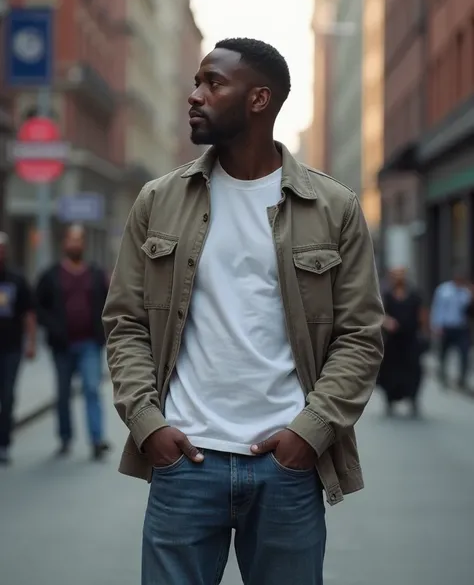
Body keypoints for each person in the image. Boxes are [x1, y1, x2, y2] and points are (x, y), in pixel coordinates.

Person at [103, 38, 384, 585]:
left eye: (213, 83)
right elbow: (125, 323)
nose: (194, 95)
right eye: (196, 82)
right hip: (184, 461)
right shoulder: (158, 201)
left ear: (259, 99)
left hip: (288, 466)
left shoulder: (334, 208)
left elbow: (360, 336)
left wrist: (310, 432)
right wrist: (147, 423)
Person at [36, 225, 110, 460]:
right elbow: (39, 307)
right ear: (64, 244)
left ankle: (97, 440)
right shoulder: (50, 276)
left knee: (91, 389)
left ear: (84, 244)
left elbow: (109, 303)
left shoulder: (96, 274)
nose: (75, 244)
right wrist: (54, 328)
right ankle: (65, 438)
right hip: (62, 345)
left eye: (79, 240)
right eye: (71, 240)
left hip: (90, 342)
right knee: (63, 393)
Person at [0, 232, 36, 464]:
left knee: (8, 395)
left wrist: (31, 342)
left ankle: (3, 443)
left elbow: (28, 313)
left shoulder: (16, 279)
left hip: (11, 347)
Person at [377, 267, 426, 417]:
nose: (398, 277)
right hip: (393, 342)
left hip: (410, 340)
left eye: (401, 274)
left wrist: (425, 332)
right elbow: (379, 314)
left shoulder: (414, 295)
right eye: (395, 275)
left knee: (413, 371)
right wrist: (387, 321)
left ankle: (413, 399)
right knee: (390, 372)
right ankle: (390, 400)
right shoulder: (386, 295)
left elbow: (422, 314)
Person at [430, 269, 473, 389]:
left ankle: (462, 379)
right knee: (444, 354)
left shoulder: (466, 292)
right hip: (446, 327)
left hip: (461, 327)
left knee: (464, 354)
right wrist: (436, 325)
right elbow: (437, 308)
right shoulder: (444, 290)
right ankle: (443, 376)